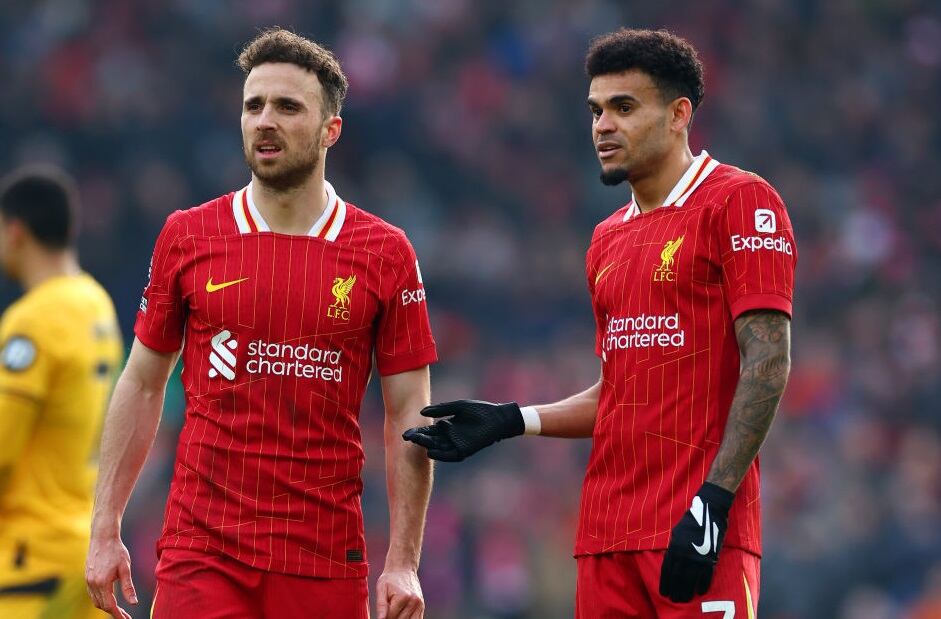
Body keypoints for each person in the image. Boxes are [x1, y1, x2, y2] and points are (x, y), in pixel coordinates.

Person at [405, 28, 795, 618]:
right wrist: (515, 419)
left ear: (678, 114)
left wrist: (715, 500)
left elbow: (767, 359)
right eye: (595, 110)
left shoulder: (740, 201)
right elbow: (622, 388)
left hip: (700, 527)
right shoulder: (606, 240)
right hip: (606, 540)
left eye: (624, 107)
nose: (602, 126)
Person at [85, 28, 437, 619]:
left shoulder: (385, 252)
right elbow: (143, 383)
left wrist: (403, 560)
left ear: (331, 130)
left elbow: (409, 412)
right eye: (254, 106)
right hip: (203, 551)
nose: (264, 120)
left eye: (287, 107)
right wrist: (104, 526)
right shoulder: (189, 235)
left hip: (325, 557)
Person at [0, 166, 123, 618]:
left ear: (15, 232)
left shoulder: (33, 320)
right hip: (81, 547)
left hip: (28, 555)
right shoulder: (96, 305)